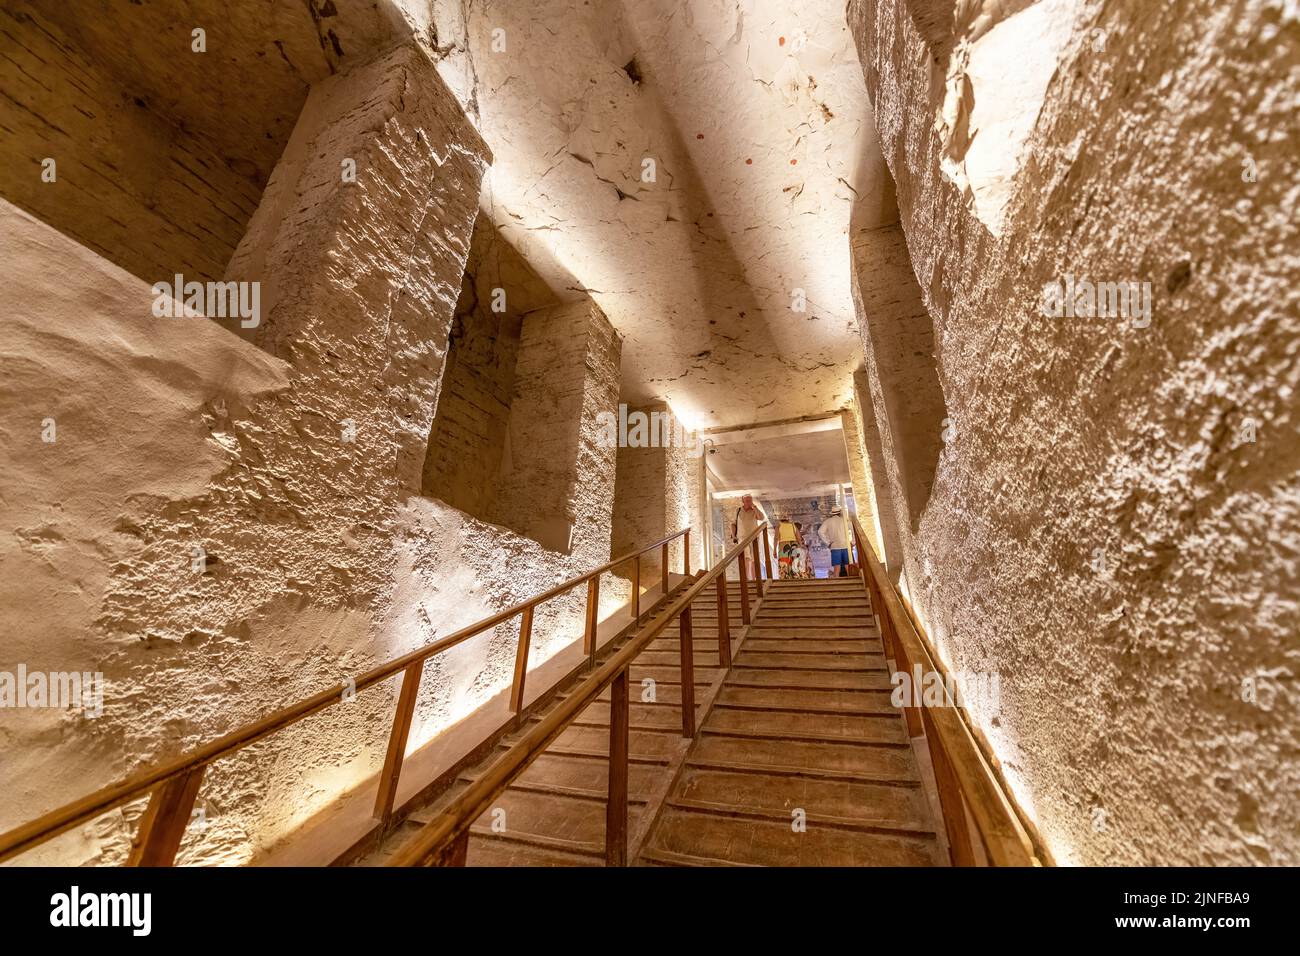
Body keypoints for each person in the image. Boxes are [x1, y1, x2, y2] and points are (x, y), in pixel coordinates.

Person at [731, 494, 769, 579]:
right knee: (746, 558)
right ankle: (747, 579)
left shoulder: (754, 510)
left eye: (750, 500)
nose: (749, 502)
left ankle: (754, 579)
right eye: (747, 500)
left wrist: (755, 507)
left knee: (754, 559)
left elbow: (761, 518)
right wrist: (734, 536)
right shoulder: (738, 510)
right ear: (743, 501)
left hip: (754, 538)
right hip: (742, 538)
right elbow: (733, 524)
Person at [818, 508, 851, 577]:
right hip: (846, 545)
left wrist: (828, 542)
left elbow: (820, 532)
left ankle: (837, 584)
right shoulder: (844, 520)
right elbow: (852, 529)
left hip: (835, 546)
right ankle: (852, 583)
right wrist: (853, 542)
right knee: (848, 566)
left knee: (836, 568)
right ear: (839, 513)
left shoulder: (828, 521)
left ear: (832, 513)